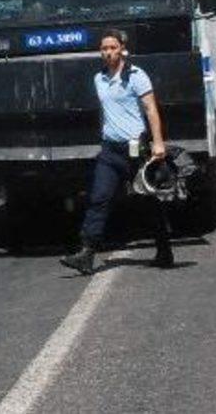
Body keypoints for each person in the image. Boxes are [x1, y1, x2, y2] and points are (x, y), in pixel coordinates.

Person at [61, 29, 172, 275]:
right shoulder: (99, 79)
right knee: (99, 198)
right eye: (104, 48)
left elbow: (151, 109)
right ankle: (87, 253)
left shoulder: (136, 75)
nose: (108, 52)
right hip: (110, 151)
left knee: (148, 201)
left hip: (135, 151)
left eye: (112, 47)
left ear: (122, 48)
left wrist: (158, 143)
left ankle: (164, 249)